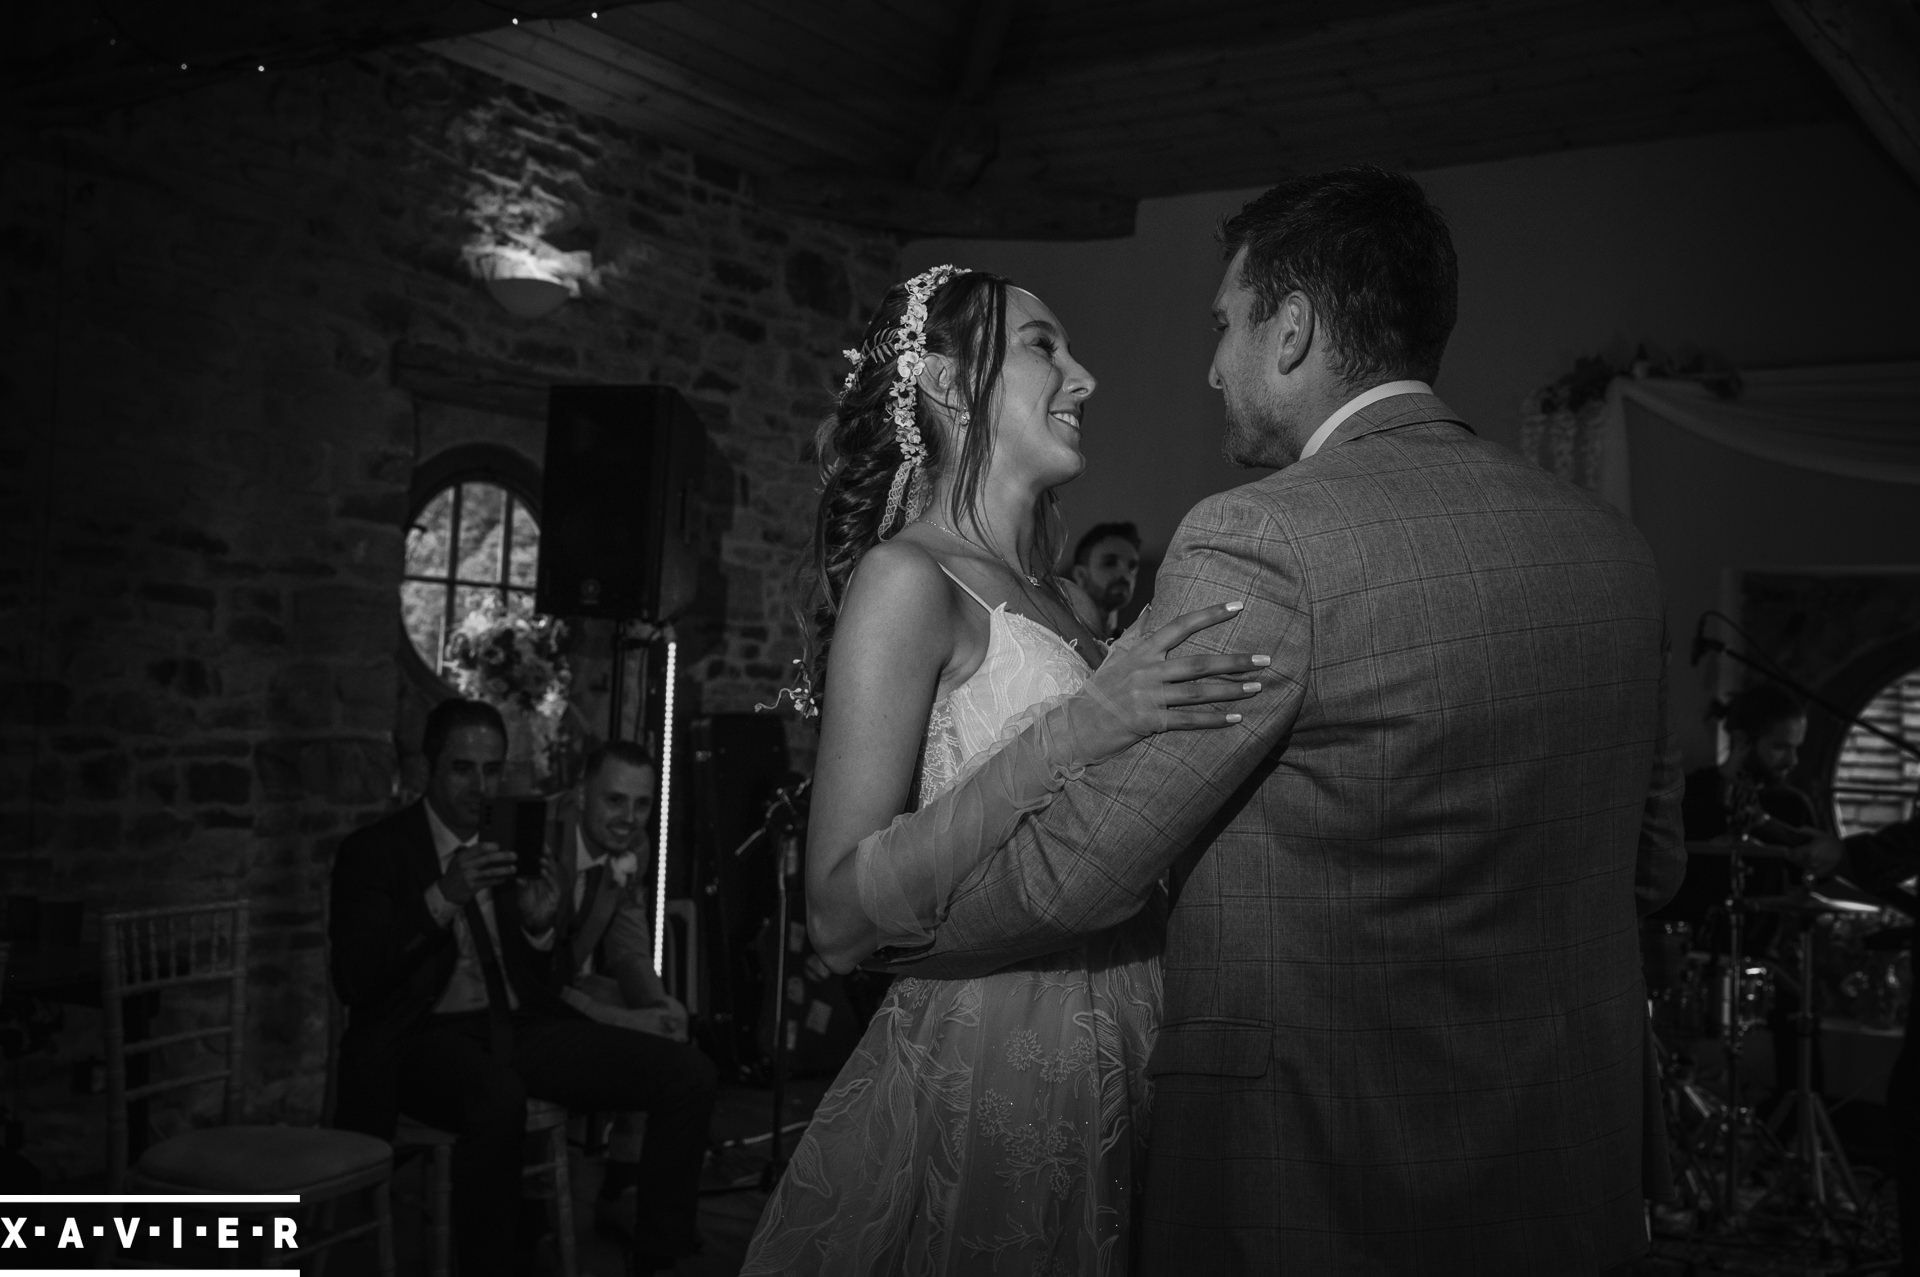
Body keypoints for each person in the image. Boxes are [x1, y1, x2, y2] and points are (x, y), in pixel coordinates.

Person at [849, 167, 1688, 1273]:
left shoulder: (1264, 538)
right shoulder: (1615, 551)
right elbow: (1656, 863)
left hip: (1325, 1160)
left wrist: (882, 924)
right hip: (1564, 1151)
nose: (1209, 364)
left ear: (1290, 332)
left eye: (1225, 325)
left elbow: (1084, 872)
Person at [740, 264, 1267, 1275]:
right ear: (943, 380)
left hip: (1141, 1029)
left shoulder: (1065, 599)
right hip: (999, 1059)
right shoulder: (907, 581)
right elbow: (839, 915)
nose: (1084, 375)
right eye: (1043, 346)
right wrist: (1080, 728)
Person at [329, 698, 717, 1277]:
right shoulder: (376, 850)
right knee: (497, 1095)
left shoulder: (511, 836)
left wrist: (538, 929)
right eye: (463, 768)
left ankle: (656, 1255)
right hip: (422, 1034)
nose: (479, 785)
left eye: (492, 770)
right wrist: (442, 897)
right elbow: (356, 980)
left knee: (688, 1072)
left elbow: (544, 977)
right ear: (427, 770)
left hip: (517, 1024)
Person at [536, 740, 691, 1234]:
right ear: (582, 795)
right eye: (615, 800)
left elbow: (626, 945)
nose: (630, 817)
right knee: (638, 1030)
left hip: (571, 981)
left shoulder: (635, 849)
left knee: (668, 1023)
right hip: (526, 995)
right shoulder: (539, 835)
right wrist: (632, 1020)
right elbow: (527, 972)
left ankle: (623, 1182)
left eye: (642, 803)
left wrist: (658, 1006)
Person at [1063, 520, 1143, 639]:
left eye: (1131, 567)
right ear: (1081, 575)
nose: (1125, 574)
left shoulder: (1132, 646)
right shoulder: (1060, 638)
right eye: (1110, 563)